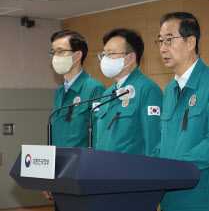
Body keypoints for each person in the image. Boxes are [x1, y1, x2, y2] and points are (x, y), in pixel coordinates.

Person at [153, 12, 209, 211]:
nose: (163, 48)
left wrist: (176, 169)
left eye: (169, 40)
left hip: (205, 202)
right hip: (171, 201)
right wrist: (148, 167)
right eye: (160, 41)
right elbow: (163, 143)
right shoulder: (169, 90)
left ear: (191, 42)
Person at [44, 30, 106, 209]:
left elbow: (98, 137)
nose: (55, 57)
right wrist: (49, 176)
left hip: (82, 176)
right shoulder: (59, 92)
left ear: (77, 55)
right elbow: (56, 135)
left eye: (61, 51)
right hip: (59, 176)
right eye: (53, 52)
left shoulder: (94, 89)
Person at [95, 28, 162, 156]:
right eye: (103, 54)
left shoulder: (147, 90)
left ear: (131, 58)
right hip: (103, 170)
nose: (104, 59)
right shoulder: (107, 94)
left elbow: (154, 140)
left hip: (132, 173)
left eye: (110, 54)